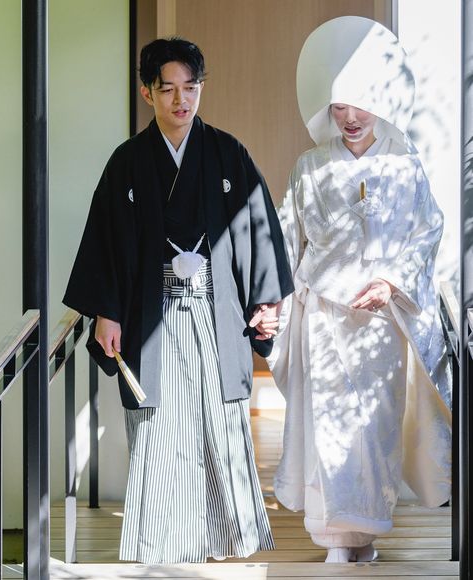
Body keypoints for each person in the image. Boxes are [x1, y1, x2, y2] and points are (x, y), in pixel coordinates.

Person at [64, 37, 294, 564]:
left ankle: (219, 540)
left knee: (216, 422)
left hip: (215, 314)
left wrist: (266, 300)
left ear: (200, 89)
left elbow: (259, 228)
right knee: (160, 429)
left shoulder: (228, 153)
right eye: (167, 89)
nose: (181, 100)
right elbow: (105, 240)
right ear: (148, 92)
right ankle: (162, 545)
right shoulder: (127, 162)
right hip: (152, 318)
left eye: (191, 88)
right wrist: (107, 312)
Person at [267, 16, 452, 564]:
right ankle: (334, 540)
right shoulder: (308, 166)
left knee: (374, 427)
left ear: (380, 103)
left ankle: (365, 535)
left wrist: (391, 281)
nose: (350, 118)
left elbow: (428, 231)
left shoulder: (404, 165)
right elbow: (285, 237)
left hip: (381, 321)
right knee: (329, 425)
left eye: (361, 106)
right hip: (325, 316)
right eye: (340, 107)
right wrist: (272, 302)